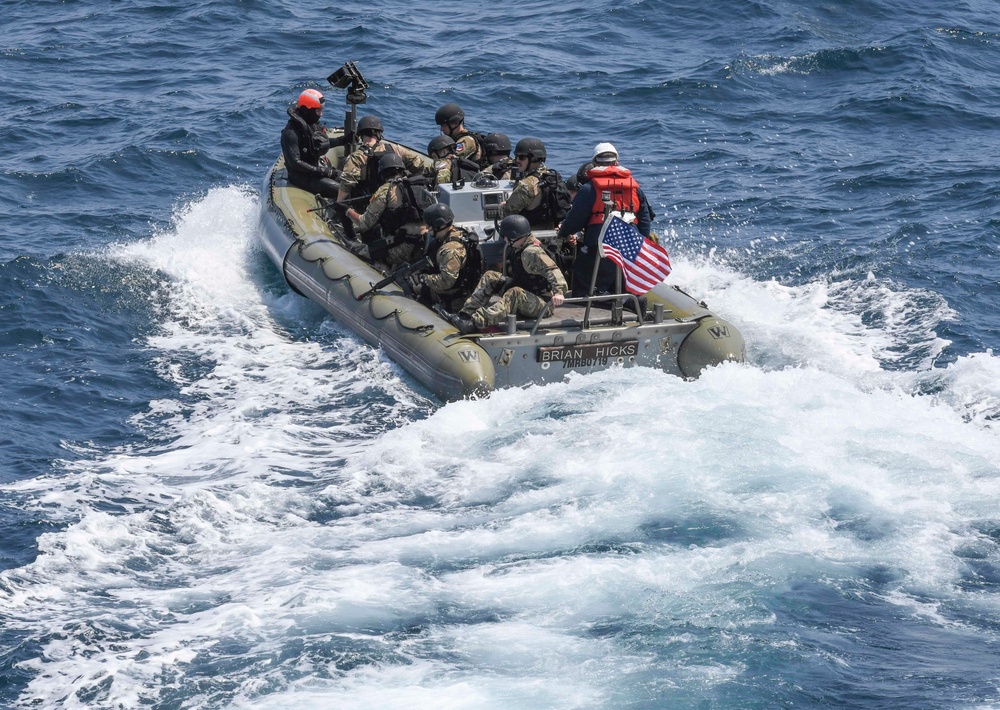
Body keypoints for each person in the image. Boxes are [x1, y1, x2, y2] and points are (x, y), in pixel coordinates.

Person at [557, 142, 653, 297]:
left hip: (599, 248)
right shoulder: (635, 188)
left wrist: (563, 232)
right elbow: (645, 221)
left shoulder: (589, 189)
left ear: (594, 163)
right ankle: (629, 304)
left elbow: (575, 219)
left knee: (582, 272)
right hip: (629, 247)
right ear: (616, 162)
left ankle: (585, 309)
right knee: (624, 284)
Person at [449, 215, 567, 334]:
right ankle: (465, 315)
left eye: (505, 236)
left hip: (542, 304)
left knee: (515, 293)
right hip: (526, 294)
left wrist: (559, 292)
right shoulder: (520, 248)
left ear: (513, 236)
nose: (504, 240)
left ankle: (477, 322)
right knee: (491, 276)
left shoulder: (532, 252)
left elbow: (552, 270)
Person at [345, 153, 429, 268]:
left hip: (402, 246)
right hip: (425, 243)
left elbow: (364, 223)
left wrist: (348, 211)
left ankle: (383, 267)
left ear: (382, 174)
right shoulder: (418, 186)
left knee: (358, 252)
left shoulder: (386, 189)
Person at [337, 114, 430, 204]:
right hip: (399, 199)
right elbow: (418, 164)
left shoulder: (357, 157)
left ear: (361, 134)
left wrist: (339, 203)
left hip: (371, 205)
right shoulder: (395, 149)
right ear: (378, 133)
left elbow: (347, 184)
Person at [280, 89, 349, 199]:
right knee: (341, 190)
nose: (321, 115)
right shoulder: (291, 133)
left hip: (315, 171)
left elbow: (319, 145)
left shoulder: (310, 125)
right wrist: (324, 171)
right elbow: (295, 163)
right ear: (307, 110)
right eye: (318, 111)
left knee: (350, 181)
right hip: (301, 176)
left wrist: (342, 140)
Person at [410, 203, 481, 311]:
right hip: (448, 292)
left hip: (452, 299)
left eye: (429, 226)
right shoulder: (451, 235)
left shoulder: (450, 250)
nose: (427, 229)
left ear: (438, 225)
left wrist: (422, 278)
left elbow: (446, 281)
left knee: (411, 288)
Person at [499, 137, 565, 228]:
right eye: (516, 156)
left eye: (521, 157)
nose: (517, 160)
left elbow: (506, 213)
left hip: (530, 234)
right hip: (551, 231)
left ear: (533, 159)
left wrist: (502, 206)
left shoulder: (527, 185)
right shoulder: (552, 177)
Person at [434, 103, 486, 167]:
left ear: (455, 124)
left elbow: (451, 159)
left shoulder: (467, 140)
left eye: (444, 126)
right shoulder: (456, 139)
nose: (441, 129)